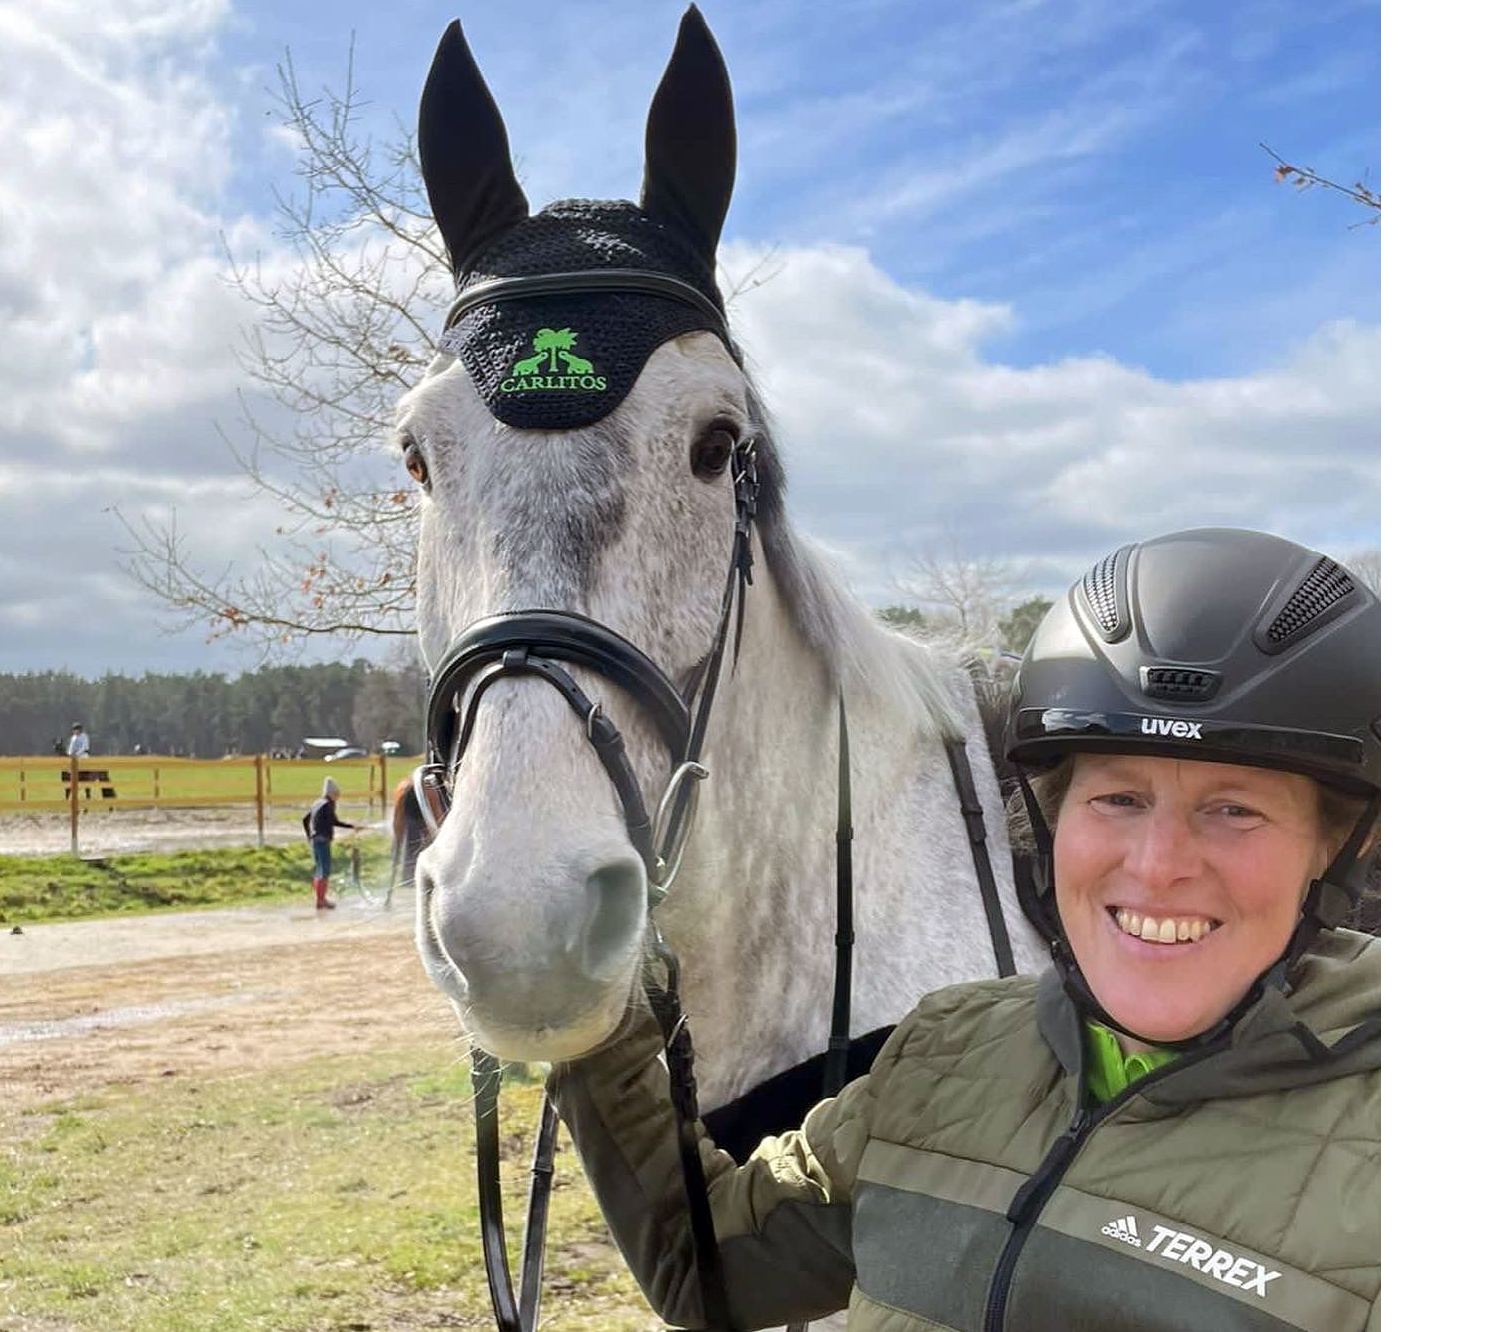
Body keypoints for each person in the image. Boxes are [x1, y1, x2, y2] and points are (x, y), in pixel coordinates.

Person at [547, 527, 1380, 1331]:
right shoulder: (944, 1055)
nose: (1159, 865)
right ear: (1051, 824)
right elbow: (709, 1264)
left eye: (1233, 809)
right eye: (1118, 798)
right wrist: (583, 999)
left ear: (1335, 850)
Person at [304, 776, 360, 910]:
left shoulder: (317, 803)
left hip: (315, 840)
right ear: (332, 794)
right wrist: (353, 826)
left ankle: (320, 899)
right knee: (325, 871)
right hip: (323, 840)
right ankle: (321, 901)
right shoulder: (327, 805)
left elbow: (305, 820)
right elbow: (334, 822)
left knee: (319, 870)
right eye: (336, 795)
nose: (337, 797)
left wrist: (309, 836)